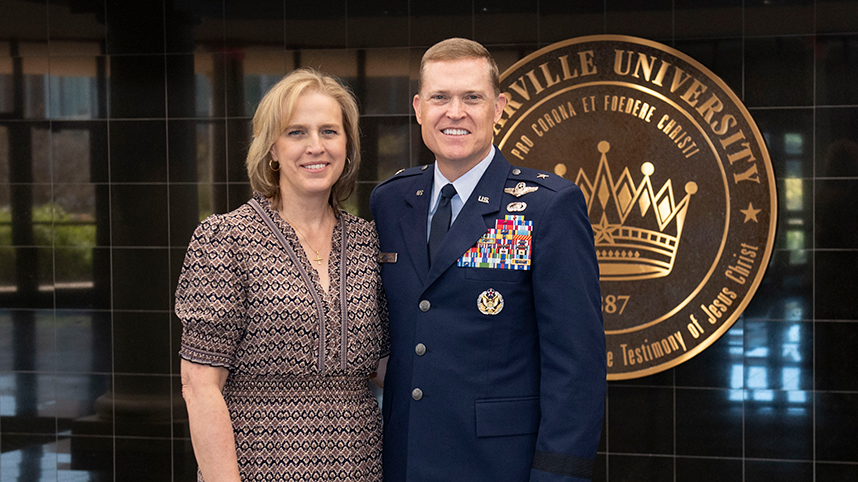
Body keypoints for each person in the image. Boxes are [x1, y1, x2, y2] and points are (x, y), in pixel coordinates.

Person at [370, 38, 606, 481]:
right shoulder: (390, 200)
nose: (454, 112)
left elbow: (577, 365)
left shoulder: (547, 207)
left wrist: (557, 475)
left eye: (472, 97)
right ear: (419, 108)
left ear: (499, 107)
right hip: (403, 459)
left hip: (501, 466)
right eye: (440, 97)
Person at [176, 68, 388, 482]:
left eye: (329, 131)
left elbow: (388, 365)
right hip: (256, 467)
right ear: (271, 148)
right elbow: (199, 387)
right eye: (296, 133)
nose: (315, 147)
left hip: (361, 466)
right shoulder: (226, 239)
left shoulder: (368, 241)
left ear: (347, 145)